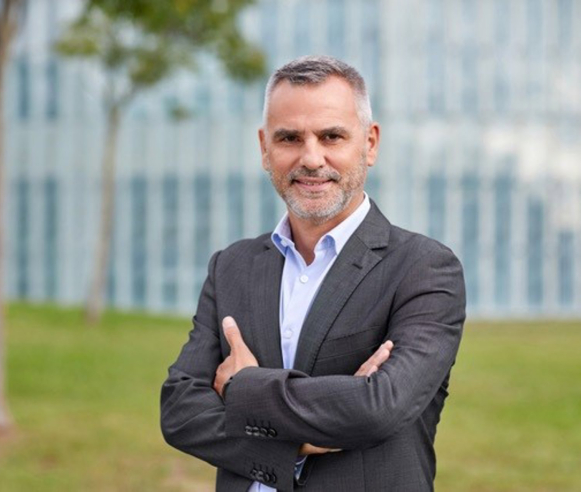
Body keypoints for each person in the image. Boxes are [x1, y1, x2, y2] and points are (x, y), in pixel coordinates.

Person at [160, 55, 466, 491]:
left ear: (370, 143)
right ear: (265, 148)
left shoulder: (423, 268)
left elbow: (380, 406)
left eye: (331, 136)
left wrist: (243, 387)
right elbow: (180, 410)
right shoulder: (231, 266)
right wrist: (297, 443)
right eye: (289, 138)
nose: (311, 158)